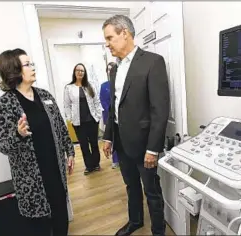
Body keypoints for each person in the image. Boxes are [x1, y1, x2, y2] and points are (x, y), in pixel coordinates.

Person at [0, 48, 75, 236]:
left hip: (56, 171)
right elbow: (2, 145)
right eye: (27, 64)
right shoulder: (5, 104)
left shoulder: (45, 96)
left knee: (61, 217)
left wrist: (69, 151)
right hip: (32, 181)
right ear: (14, 70)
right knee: (41, 227)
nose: (32, 67)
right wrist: (18, 134)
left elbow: (61, 127)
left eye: (32, 63)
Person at [102, 15, 170, 236]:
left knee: (151, 190)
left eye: (110, 37)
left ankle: (158, 231)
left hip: (143, 144)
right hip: (122, 142)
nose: (108, 43)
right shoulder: (114, 69)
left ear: (125, 33)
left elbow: (159, 110)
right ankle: (135, 221)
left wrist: (153, 148)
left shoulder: (153, 62)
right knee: (131, 186)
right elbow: (114, 107)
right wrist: (109, 136)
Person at [64, 63, 102, 175]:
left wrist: (98, 115)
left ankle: (96, 164)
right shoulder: (69, 88)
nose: (80, 72)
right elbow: (66, 105)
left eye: (82, 71)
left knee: (94, 143)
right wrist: (69, 118)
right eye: (78, 70)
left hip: (92, 120)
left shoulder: (90, 86)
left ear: (84, 73)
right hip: (78, 122)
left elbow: (96, 101)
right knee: (84, 145)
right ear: (74, 72)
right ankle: (89, 166)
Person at [100, 61, 119, 169]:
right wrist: (112, 111)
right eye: (108, 69)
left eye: (112, 69)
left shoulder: (120, 84)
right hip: (109, 116)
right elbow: (103, 101)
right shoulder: (104, 86)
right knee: (112, 138)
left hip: (121, 116)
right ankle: (115, 160)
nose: (110, 71)